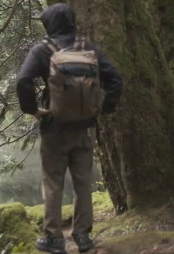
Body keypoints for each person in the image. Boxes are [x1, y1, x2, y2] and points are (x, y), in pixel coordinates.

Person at [16, 3, 123, 254]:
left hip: (54, 127)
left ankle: (54, 240)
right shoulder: (88, 49)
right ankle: (83, 237)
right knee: (83, 182)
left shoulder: (43, 50)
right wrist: (102, 107)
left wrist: (33, 110)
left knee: (53, 183)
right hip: (85, 127)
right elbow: (115, 79)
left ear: (49, 24)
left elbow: (23, 80)